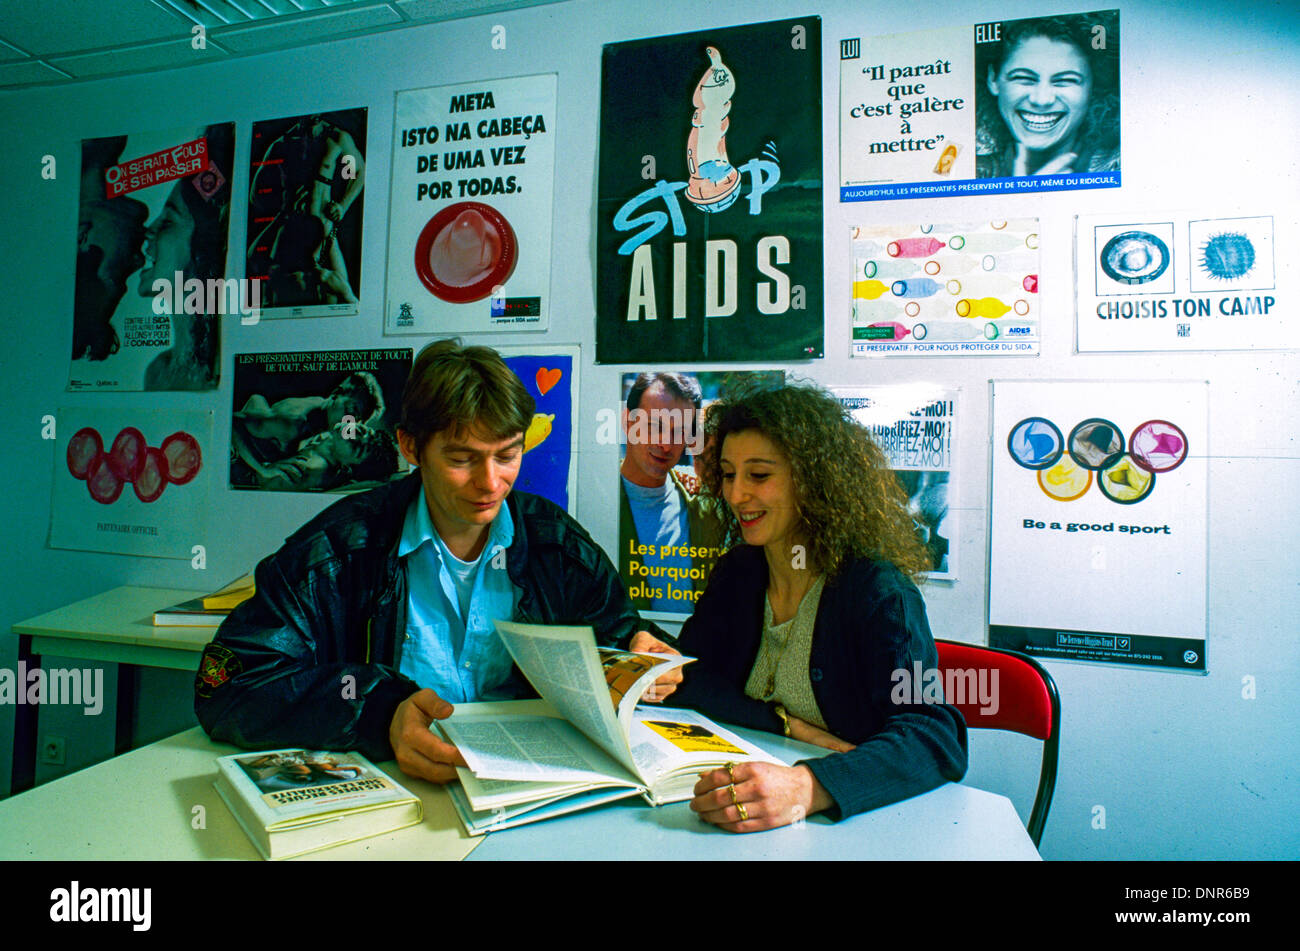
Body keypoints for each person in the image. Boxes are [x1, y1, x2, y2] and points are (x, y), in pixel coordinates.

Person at [197, 339, 681, 784]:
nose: (490, 483)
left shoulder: (556, 544)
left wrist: (643, 654)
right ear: (411, 447)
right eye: (462, 459)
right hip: (389, 793)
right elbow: (227, 685)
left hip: (528, 789)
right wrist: (379, 714)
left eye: (508, 455)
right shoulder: (336, 550)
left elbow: (619, 636)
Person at [671, 382, 968, 832]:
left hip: (859, 827)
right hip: (743, 811)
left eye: (759, 475)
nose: (734, 496)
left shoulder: (878, 591)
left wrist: (809, 787)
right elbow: (690, 678)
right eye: (729, 474)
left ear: (811, 481)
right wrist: (788, 726)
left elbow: (933, 737)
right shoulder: (738, 572)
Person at [138, 122, 235, 390]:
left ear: (204, 247)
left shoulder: (222, 375)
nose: (149, 231)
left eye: (168, 222)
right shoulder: (157, 371)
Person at [618, 372, 726, 613]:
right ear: (628, 423)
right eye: (655, 426)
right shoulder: (600, 499)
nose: (666, 444)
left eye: (678, 432)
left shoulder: (705, 504)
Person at [975, 11, 1119, 179]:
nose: (1041, 100)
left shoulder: (1120, 167)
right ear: (993, 79)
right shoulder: (959, 169)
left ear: (1092, 86)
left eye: (1065, 80)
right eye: (1023, 78)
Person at [232, 371, 386, 465]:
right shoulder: (295, 423)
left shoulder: (320, 407)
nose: (349, 423)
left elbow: (256, 401)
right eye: (351, 410)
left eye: (356, 420)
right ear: (336, 393)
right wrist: (263, 470)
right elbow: (234, 422)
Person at [230, 420, 399, 492]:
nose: (353, 434)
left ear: (348, 467)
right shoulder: (321, 440)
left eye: (356, 446)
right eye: (361, 430)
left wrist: (259, 468)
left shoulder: (315, 467)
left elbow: (262, 483)